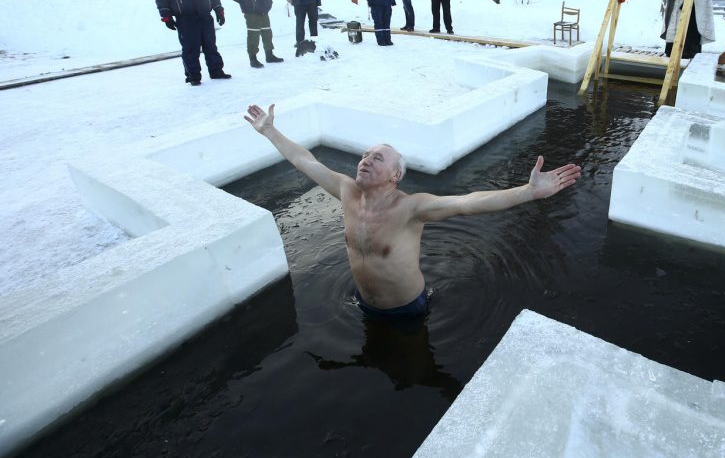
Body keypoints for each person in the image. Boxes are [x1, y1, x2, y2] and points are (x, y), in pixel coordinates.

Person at [243, 103, 582, 318]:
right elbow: (305, 160)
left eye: (378, 158)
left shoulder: (410, 208)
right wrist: (270, 130)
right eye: (365, 155)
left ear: (395, 176)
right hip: (365, 305)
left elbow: (467, 203)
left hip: (407, 309)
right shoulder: (346, 191)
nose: (365, 160)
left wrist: (527, 191)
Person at [153, 0, 230, 86]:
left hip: (205, 16)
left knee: (210, 46)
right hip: (185, 18)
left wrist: (218, 9)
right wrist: (166, 16)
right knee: (190, 48)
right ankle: (193, 76)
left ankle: (216, 71)